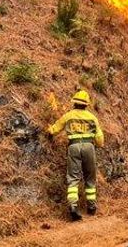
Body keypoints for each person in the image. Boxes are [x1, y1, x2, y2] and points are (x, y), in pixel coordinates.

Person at [47, 89, 104, 221]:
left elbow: (55, 129)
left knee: (73, 178)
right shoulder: (92, 118)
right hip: (89, 147)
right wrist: (96, 144)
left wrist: (49, 132)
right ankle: (91, 207)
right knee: (90, 177)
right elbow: (100, 140)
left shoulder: (69, 115)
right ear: (86, 104)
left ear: (74, 103)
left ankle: (73, 206)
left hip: (73, 147)